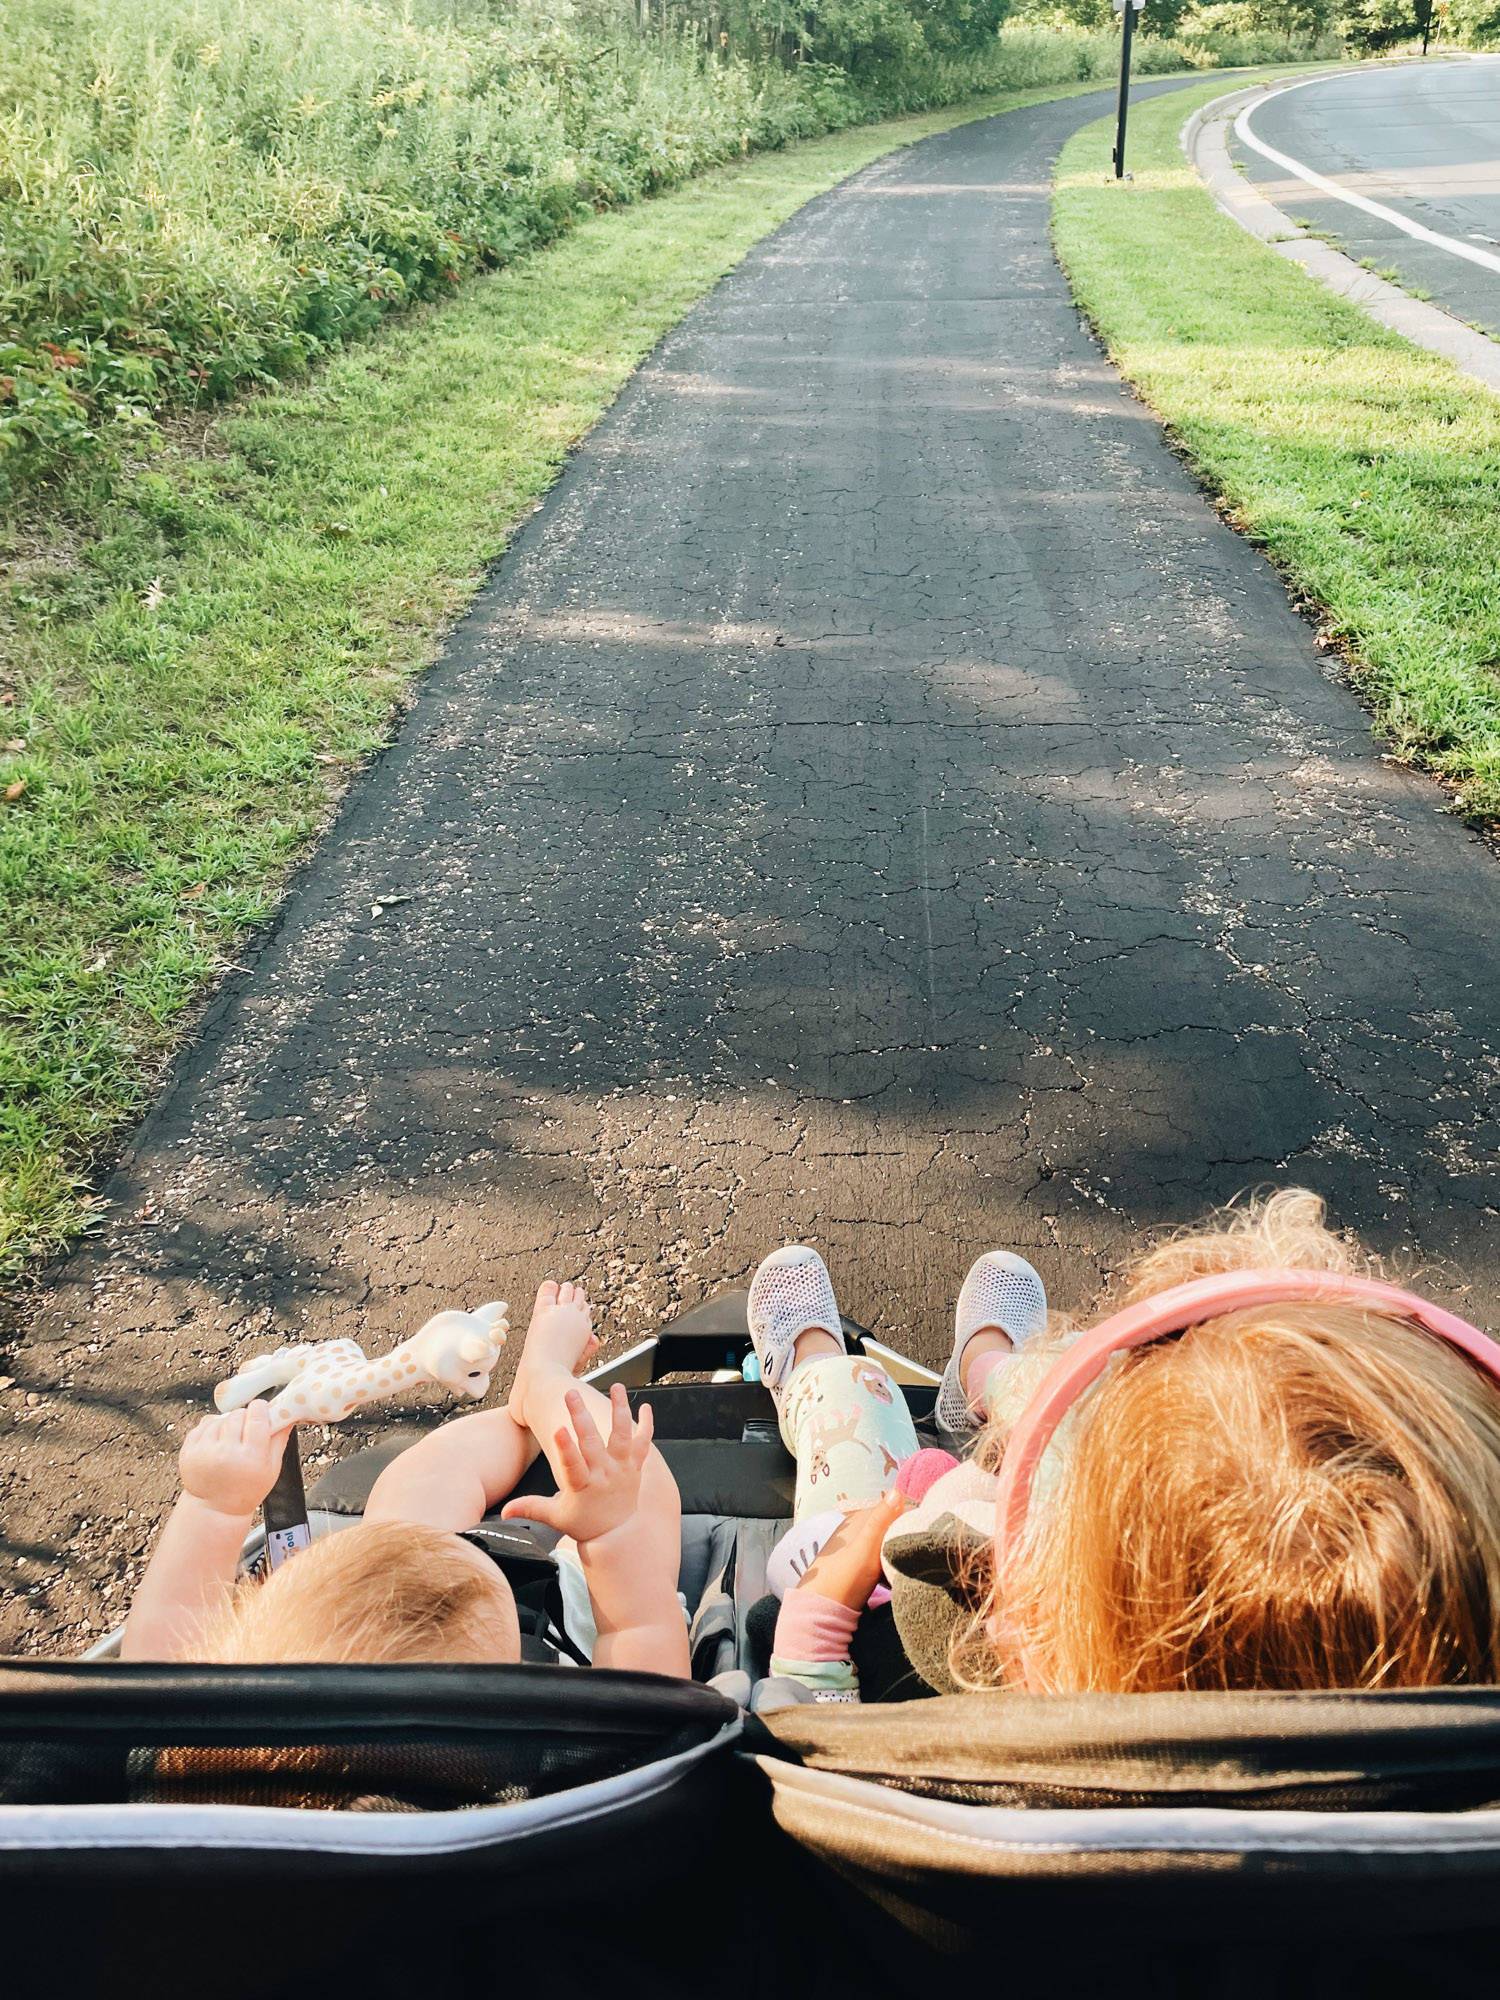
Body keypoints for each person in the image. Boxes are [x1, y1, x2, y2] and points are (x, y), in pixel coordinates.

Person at [756, 1189, 1500, 1701]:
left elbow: (805, 1741)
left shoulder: (959, 1666)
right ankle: (986, 1380)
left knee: (874, 1432)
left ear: (1034, 1608)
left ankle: (859, 1373)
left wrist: (816, 1623)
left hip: (916, 1536)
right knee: (1132, 1405)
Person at [121, 1281, 690, 1679]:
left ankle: (527, 1411)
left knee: (415, 1492)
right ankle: (545, 1383)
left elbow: (163, 1658)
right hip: (558, 1639)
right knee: (638, 1494)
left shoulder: (223, 1757)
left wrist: (215, 1505)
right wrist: (608, 1533)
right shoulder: (562, 1759)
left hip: (339, 1632)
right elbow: (641, 1637)